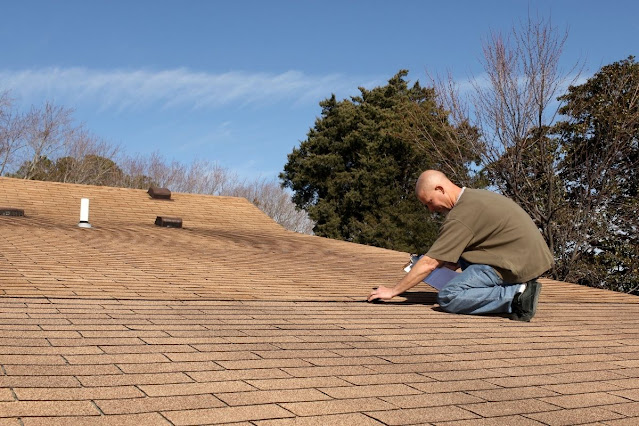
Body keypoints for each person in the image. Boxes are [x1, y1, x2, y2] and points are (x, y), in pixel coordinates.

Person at [368, 170, 553, 321]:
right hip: (526, 259)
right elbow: (486, 239)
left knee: (449, 297)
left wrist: (392, 291)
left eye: (429, 202)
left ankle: (517, 296)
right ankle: (516, 290)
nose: (431, 209)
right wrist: (454, 263)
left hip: (513, 266)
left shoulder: (460, 216)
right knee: (456, 264)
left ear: (440, 189)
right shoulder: (474, 197)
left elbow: (430, 262)